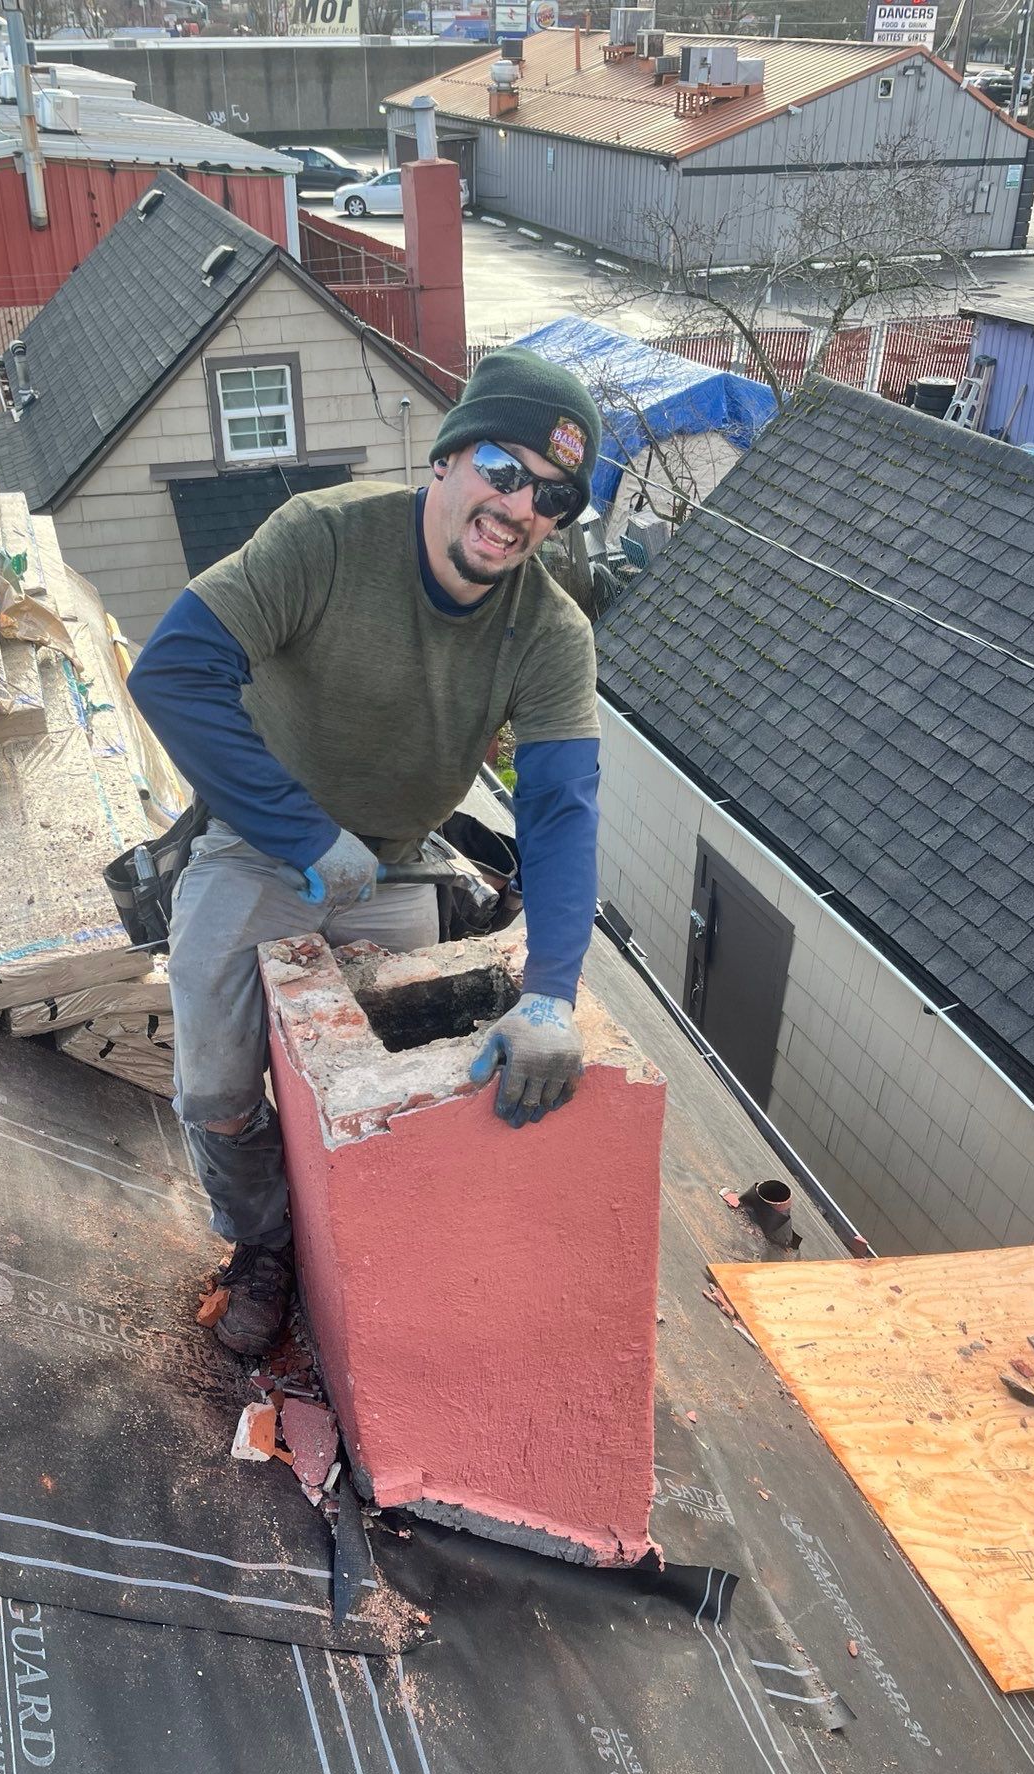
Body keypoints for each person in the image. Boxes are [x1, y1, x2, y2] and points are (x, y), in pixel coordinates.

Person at [127, 349, 604, 1357]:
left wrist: (553, 989)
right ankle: (262, 1243)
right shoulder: (325, 542)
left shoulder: (548, 633)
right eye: (502, 468)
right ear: (446, 460)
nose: (519, 506)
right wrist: (299, 832)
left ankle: (400, 1235)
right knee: (213, 1075)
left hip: (398, 856)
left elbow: (561, 810)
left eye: (551, 495)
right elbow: (173, 672)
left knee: (442, 1055)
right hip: (264, 844)